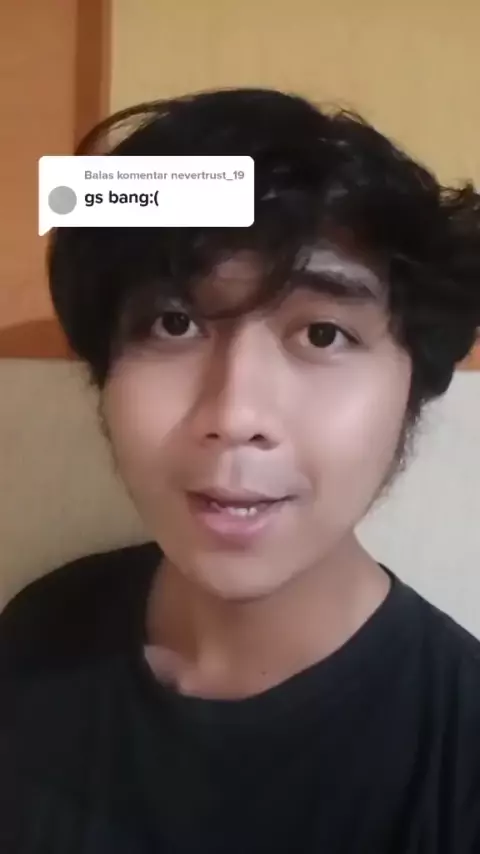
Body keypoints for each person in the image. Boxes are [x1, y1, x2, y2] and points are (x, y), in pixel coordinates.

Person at [1, 87, 480, 854]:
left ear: (412, 387)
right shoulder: (40, 633)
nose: (236, 412)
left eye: (322, 334)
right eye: (174, 323)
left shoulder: (458, 750)